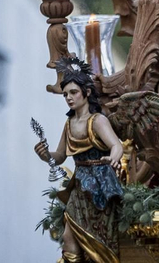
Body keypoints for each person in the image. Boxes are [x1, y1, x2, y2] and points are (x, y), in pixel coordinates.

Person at [35, 57, 127, 263]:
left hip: (100, 186)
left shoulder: (98, 121)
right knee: (69, 236)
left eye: (73, 92)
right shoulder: (69, 124)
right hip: (79, 187)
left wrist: (112, 159)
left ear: (86, 92)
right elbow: (59, 157)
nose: (68, 97)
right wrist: (46, 155)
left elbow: (117, 146)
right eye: (66, 94)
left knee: (97, 240)